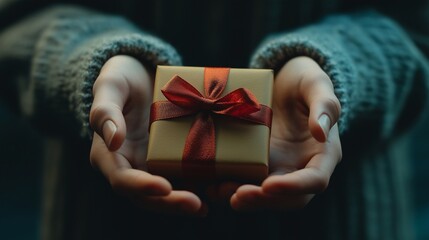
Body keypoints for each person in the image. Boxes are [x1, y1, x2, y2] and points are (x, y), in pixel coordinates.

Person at [1, 0, 428, 239]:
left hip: (340, 222)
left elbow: (417, 29)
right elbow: (16, 22)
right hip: (101, 221)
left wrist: (338, 75)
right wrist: (87, 67)